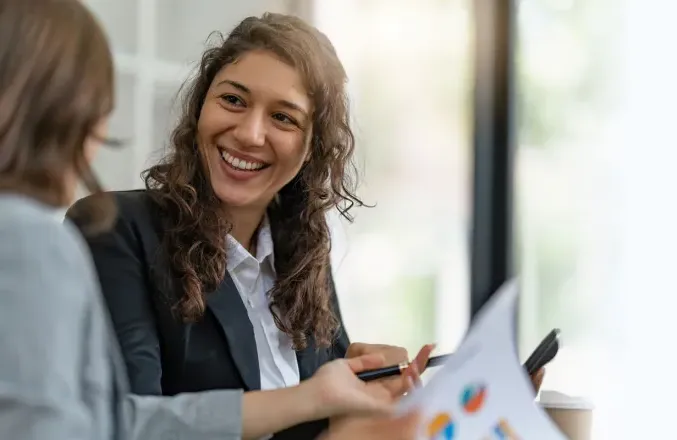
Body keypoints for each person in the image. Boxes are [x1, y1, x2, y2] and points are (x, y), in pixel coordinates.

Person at [0, 0, 423, 439]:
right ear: (201, 107)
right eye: (233, 100)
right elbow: (126, 424)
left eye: (283, 117)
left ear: (313, 148)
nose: (249, 133)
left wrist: (359, 398)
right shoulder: (114, 230)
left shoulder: (303, 255)